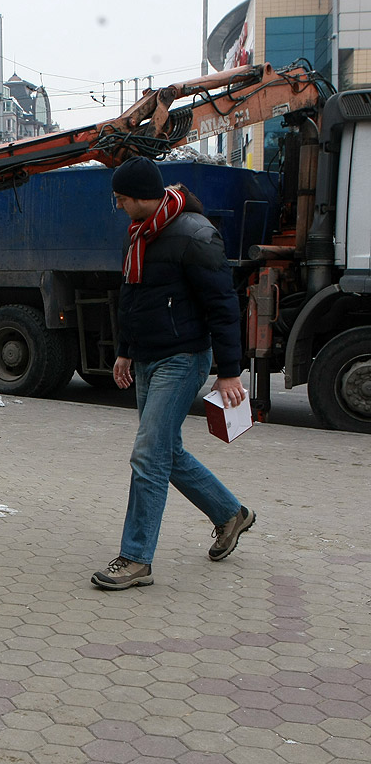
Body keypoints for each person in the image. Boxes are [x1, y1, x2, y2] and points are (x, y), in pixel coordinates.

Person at [91, 157, 255, 591]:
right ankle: (230, 514)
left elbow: (223, 307)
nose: (121, 207)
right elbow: (131, 298)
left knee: (148, 455)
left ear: (143, 196)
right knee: (167, 452)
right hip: (146, 357)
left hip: (182, 359)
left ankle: (135, 557)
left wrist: (229, 372)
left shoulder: (195, 235)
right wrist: (125, 351)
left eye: (123, 199)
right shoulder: (139, 235)